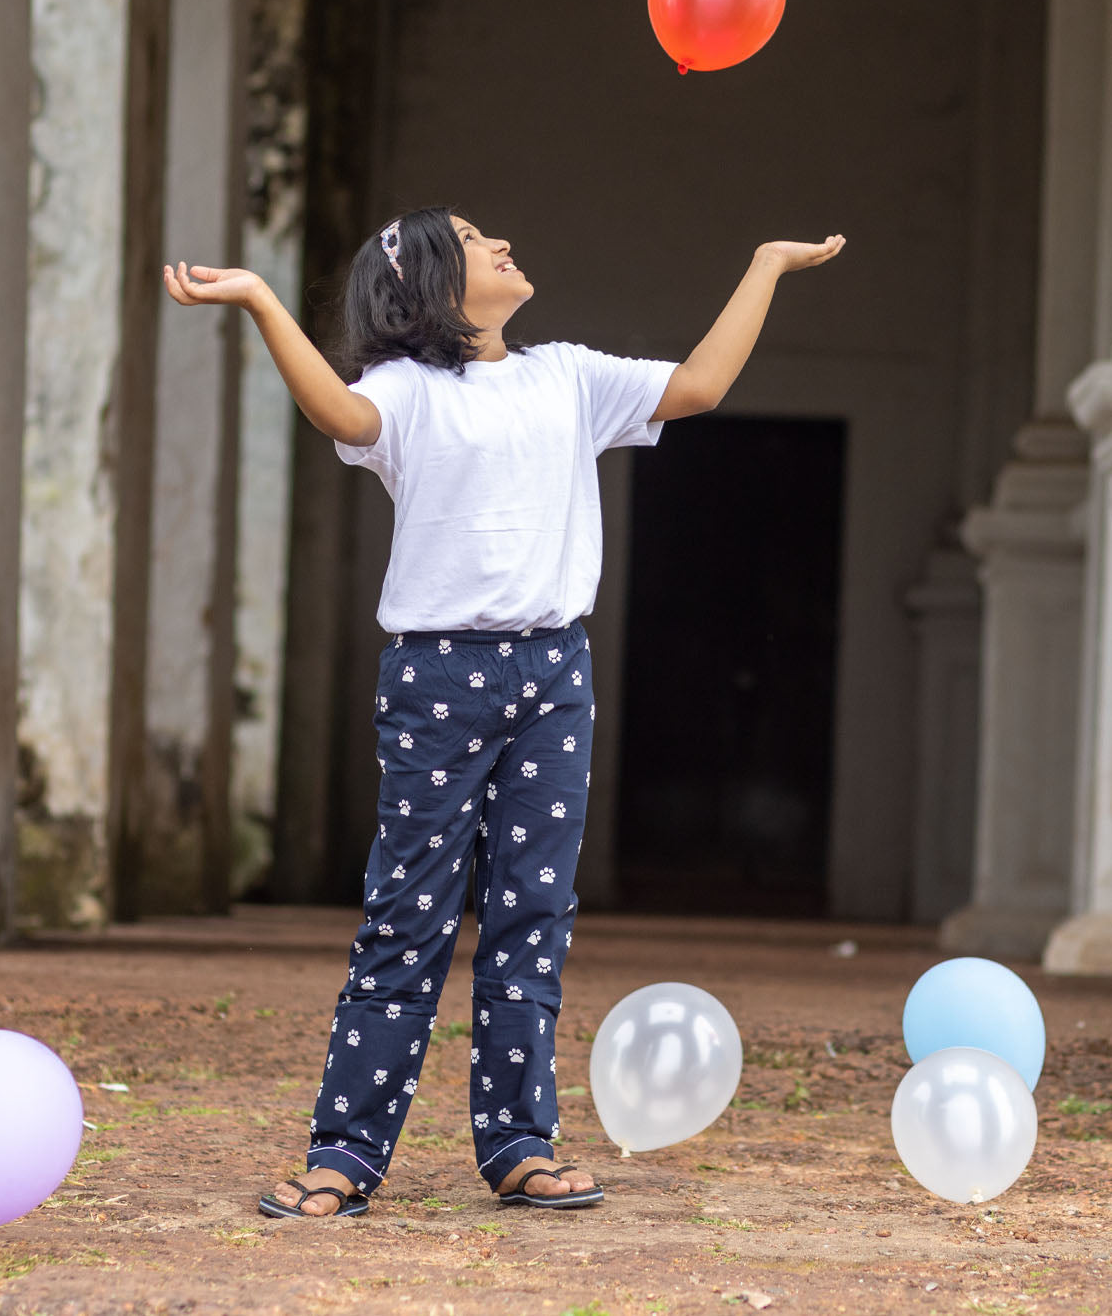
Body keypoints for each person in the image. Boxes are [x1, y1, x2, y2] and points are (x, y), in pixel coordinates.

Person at [163, 207, 845, 1218]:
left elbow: (698, 386)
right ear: (436, 286)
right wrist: (263, 301)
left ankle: (518, 1143)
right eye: (476, 240)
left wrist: (763, 268)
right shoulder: (402, 393)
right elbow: (339, 416)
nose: (501, 243)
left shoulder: (565, 375)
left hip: (553, 680)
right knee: (409, 918)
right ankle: (345, 1154)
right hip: (437, 680)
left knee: (533, 915)